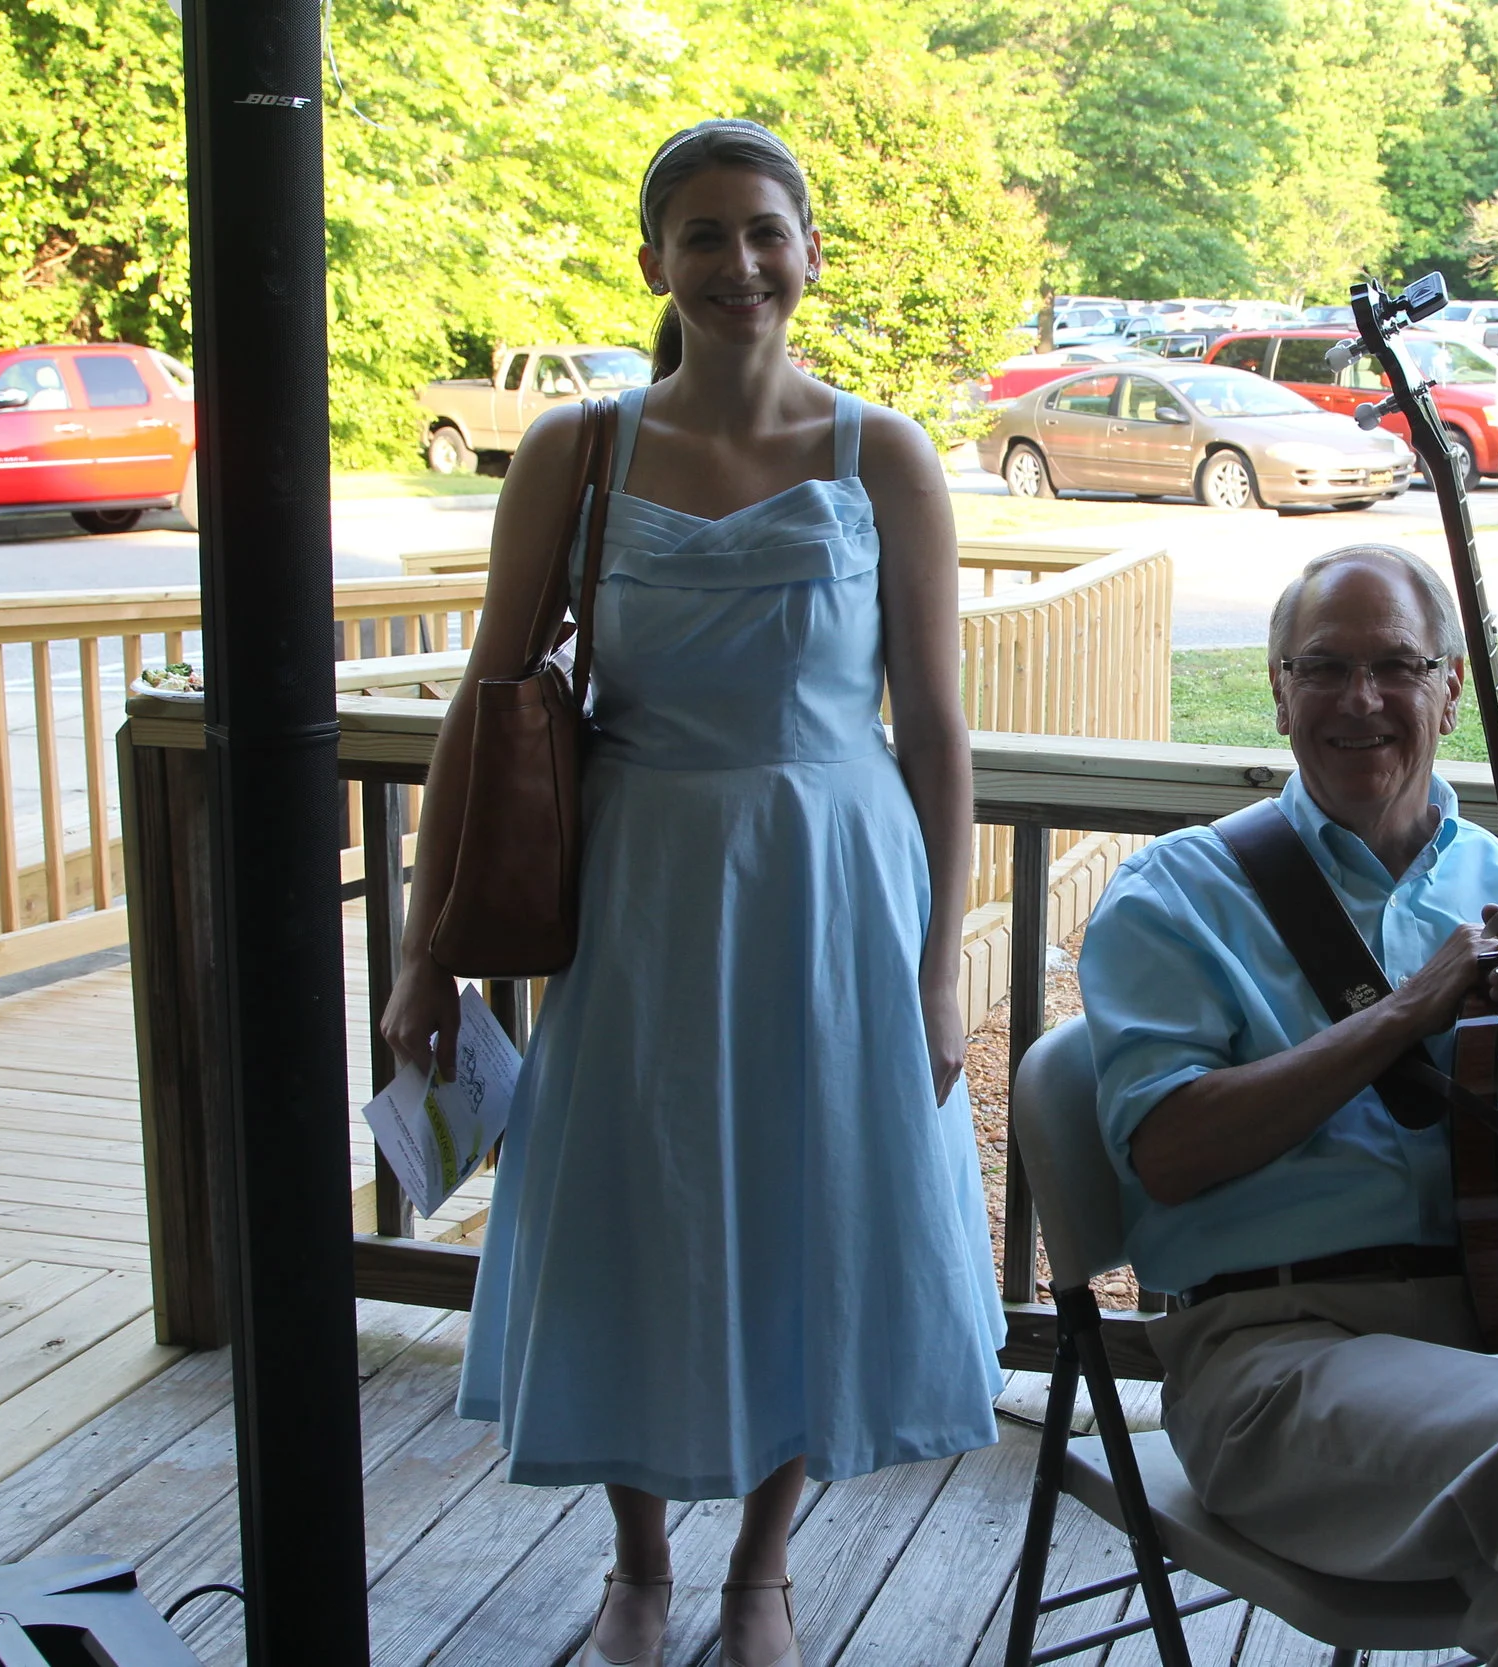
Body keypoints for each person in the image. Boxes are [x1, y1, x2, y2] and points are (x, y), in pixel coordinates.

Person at [380, 120, 1003, 1667]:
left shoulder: (886, 456)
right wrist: (421, 957)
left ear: (808, 252)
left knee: (817, 1205)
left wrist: (936, 967)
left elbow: (933, 735)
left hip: (833, 896)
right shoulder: (575, 451)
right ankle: (640, 1561)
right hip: (643, 893)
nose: (740, 263)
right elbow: (488, 702)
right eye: (706, 236)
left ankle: (764, 1570)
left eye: (766, 232)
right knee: (634, 1213)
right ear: (654, 259)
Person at [1077, 545, 1498, 1667]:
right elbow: (1168, 1154)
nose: (1360, 699)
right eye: (1323, 666)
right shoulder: (1179, 893)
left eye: (1396, 665)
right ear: (1277, 686)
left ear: (1449, 688)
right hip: (1276, 1359)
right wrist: (1404, 1011)